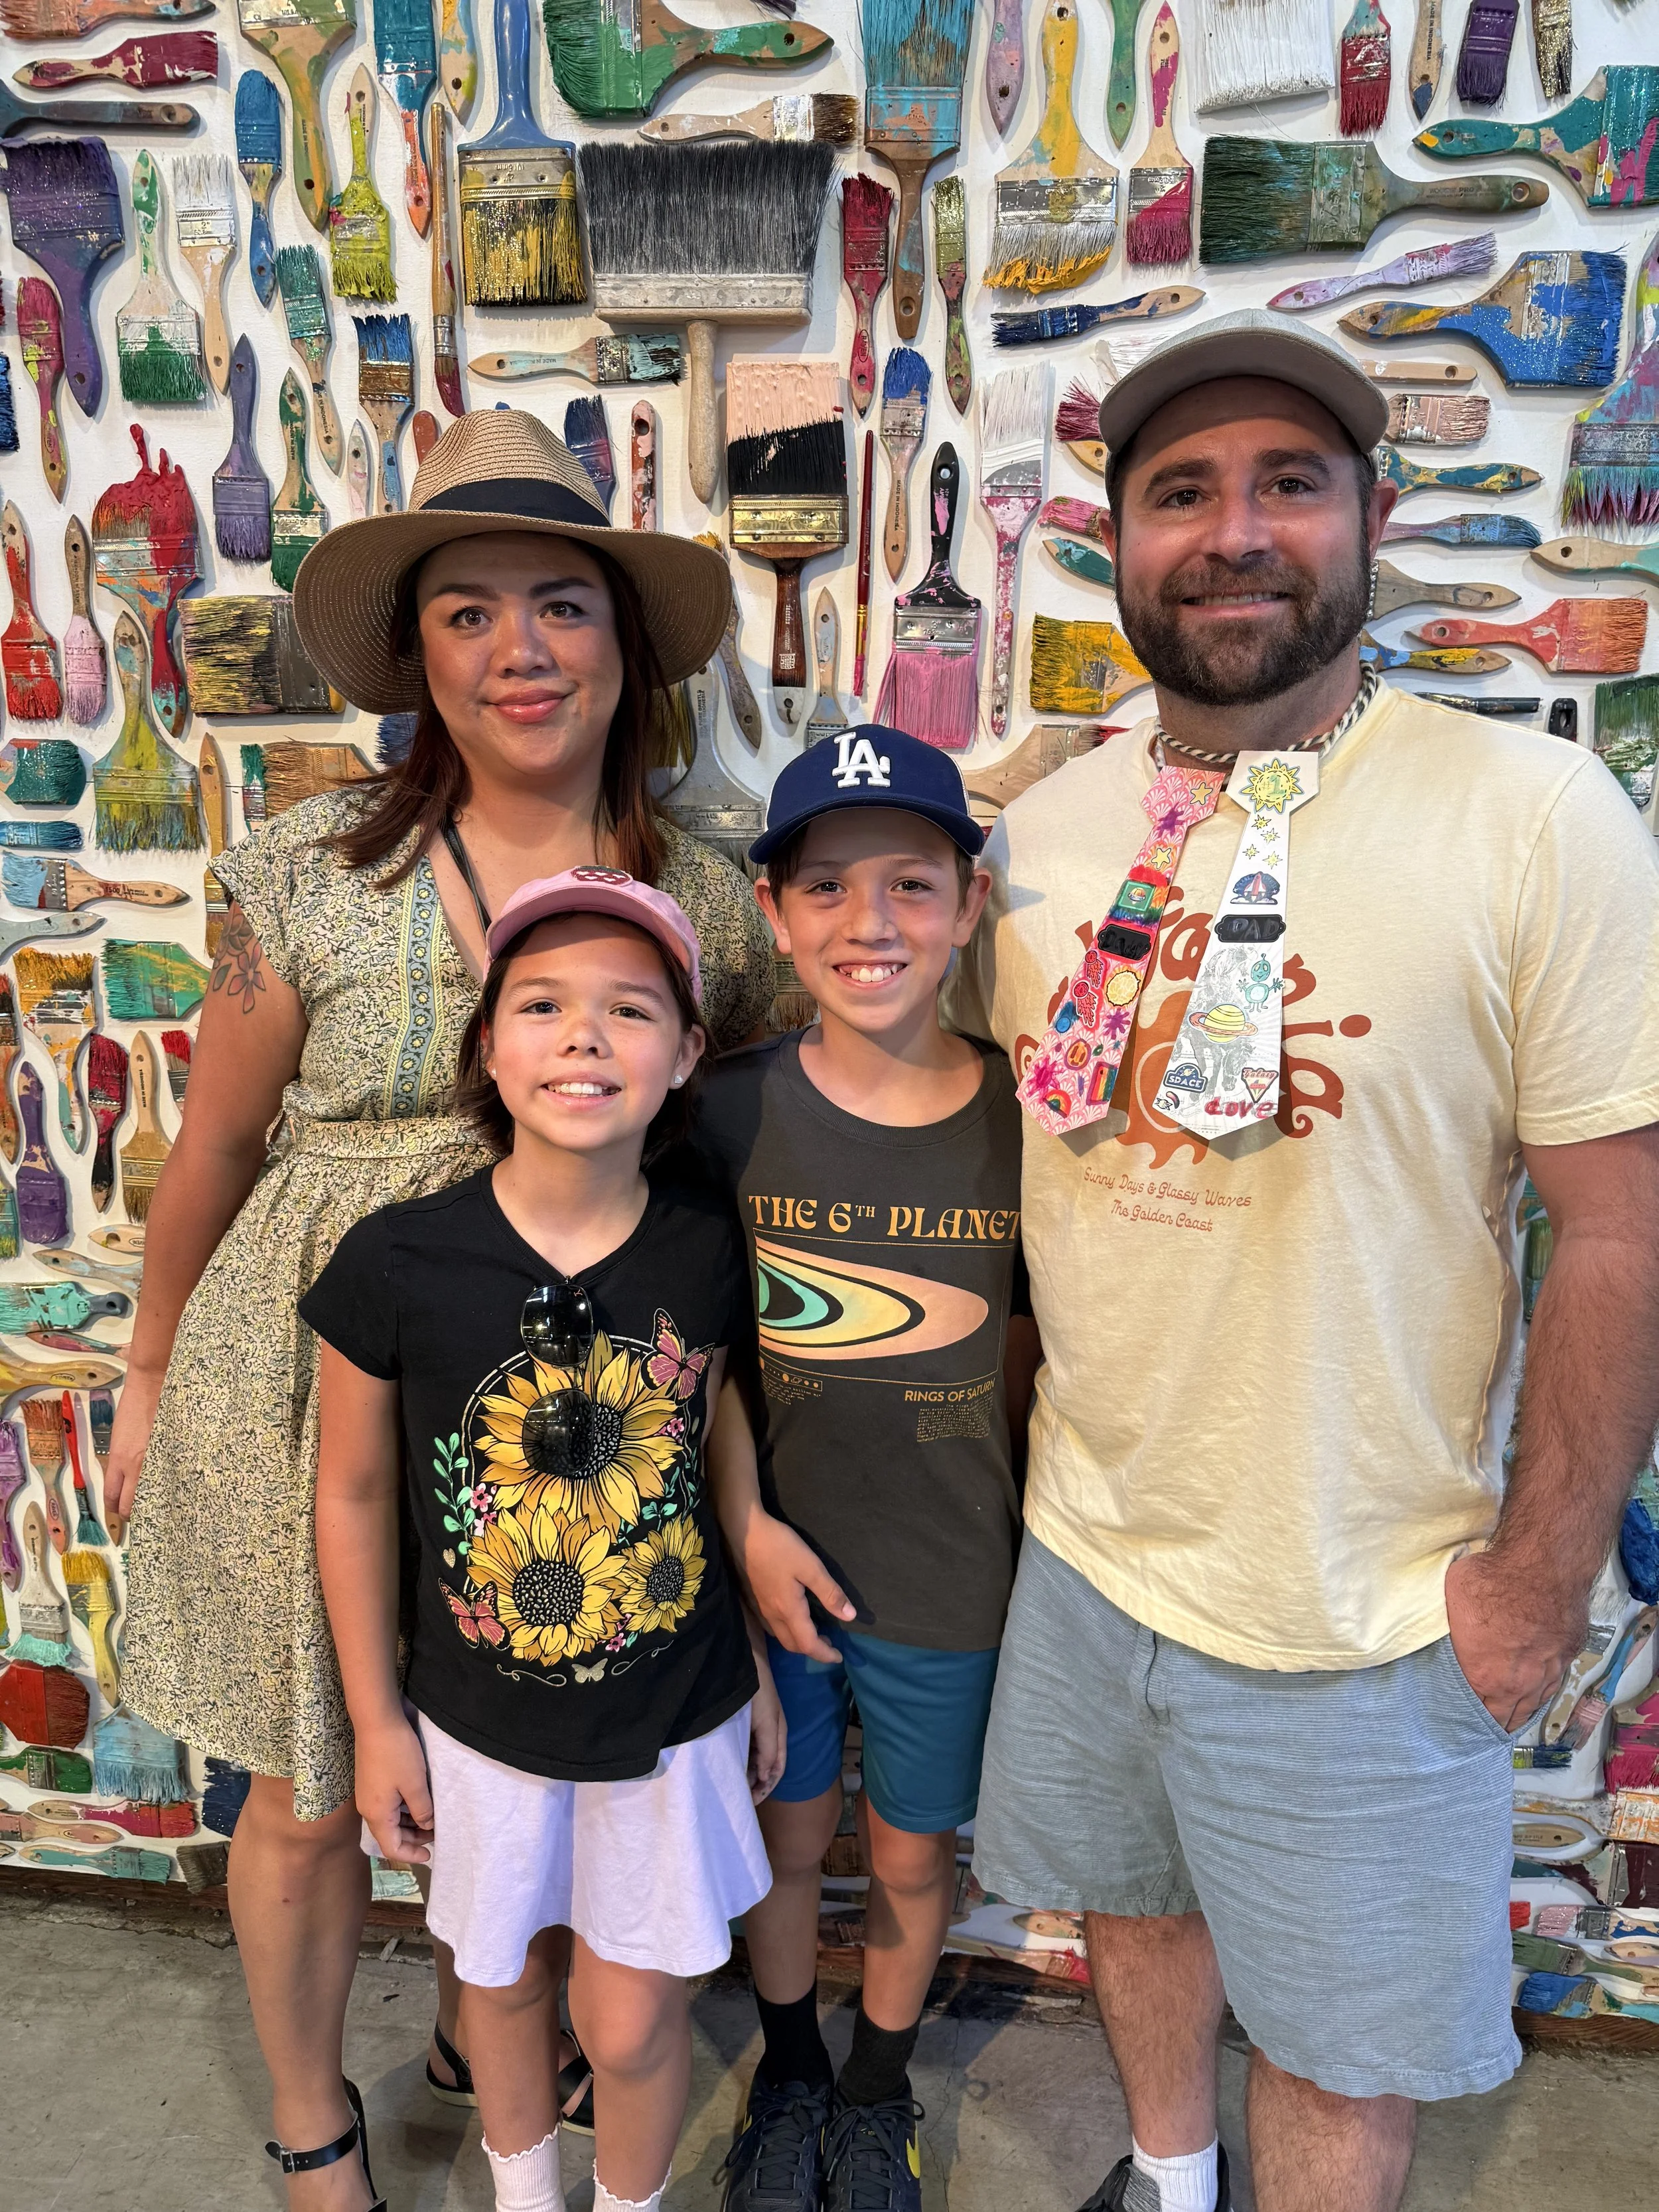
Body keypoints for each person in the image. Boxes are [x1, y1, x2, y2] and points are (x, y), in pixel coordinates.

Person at [944, 311, 1659, 2212]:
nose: (1235, 531)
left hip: (1364, 1596)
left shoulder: (1529, 820)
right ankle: (1171, 2181)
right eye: (1181, 492)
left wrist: (1539, 1572)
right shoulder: (1032, 839)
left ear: (1372, 515)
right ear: (1116, 546)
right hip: (1092, 1549)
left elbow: (1616, 1220)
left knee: (1344, 2044)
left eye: (1288, 484)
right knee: (1137, 1911)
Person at [104, 412, 776, 2207]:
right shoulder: (316, 869)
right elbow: (219, 1139)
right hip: (312, 1363)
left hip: (567, 1384)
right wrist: (150, 1362)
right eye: (468, 613)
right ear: (419, 654)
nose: (520, 648)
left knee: (545, 1734)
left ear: (623, 646)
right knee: (316, 1780)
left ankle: (508, 2025)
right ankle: (314, 2121)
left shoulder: (705, 893)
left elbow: (765, 1115)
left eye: (561, 603)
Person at [306, 869, 781, 2212]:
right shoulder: (397, 1259)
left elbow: (714, 1426)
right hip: (468, 1720)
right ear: (490, 1045)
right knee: (499, 1979)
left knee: (631, 2025)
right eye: (543, 1004)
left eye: (630, 1009)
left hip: (670, 1715)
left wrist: (741, 1648)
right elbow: (348, 1494)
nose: (583, 1035)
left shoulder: (707, 1246)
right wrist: (375, 1718)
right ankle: (525, 2196)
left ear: (685, 1055)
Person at [695, 729, 1042, 2212]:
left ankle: (876, 2085)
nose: (870, 923)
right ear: (772, 914)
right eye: (826, 888)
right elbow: (691, 1359)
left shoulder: (1030, 1113)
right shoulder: (722, 1110)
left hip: (950, 1577)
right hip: (774, 1573)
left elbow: (1031, 1356)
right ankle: (784, 2066)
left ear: (968, 903)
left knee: (908, 1857)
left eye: (911, 883)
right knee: (782, 1844)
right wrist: (748, 1525)